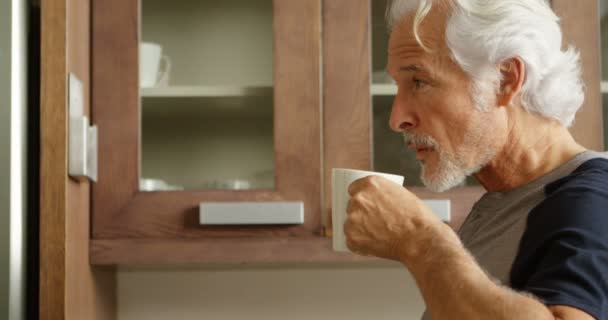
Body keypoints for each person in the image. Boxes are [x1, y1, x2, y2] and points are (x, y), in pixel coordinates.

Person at [344, 0, 608, 319]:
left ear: (506, 80)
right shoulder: (504, 202)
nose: (397, 118)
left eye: (419, 82)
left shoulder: (592, 200)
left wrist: (419, 237)